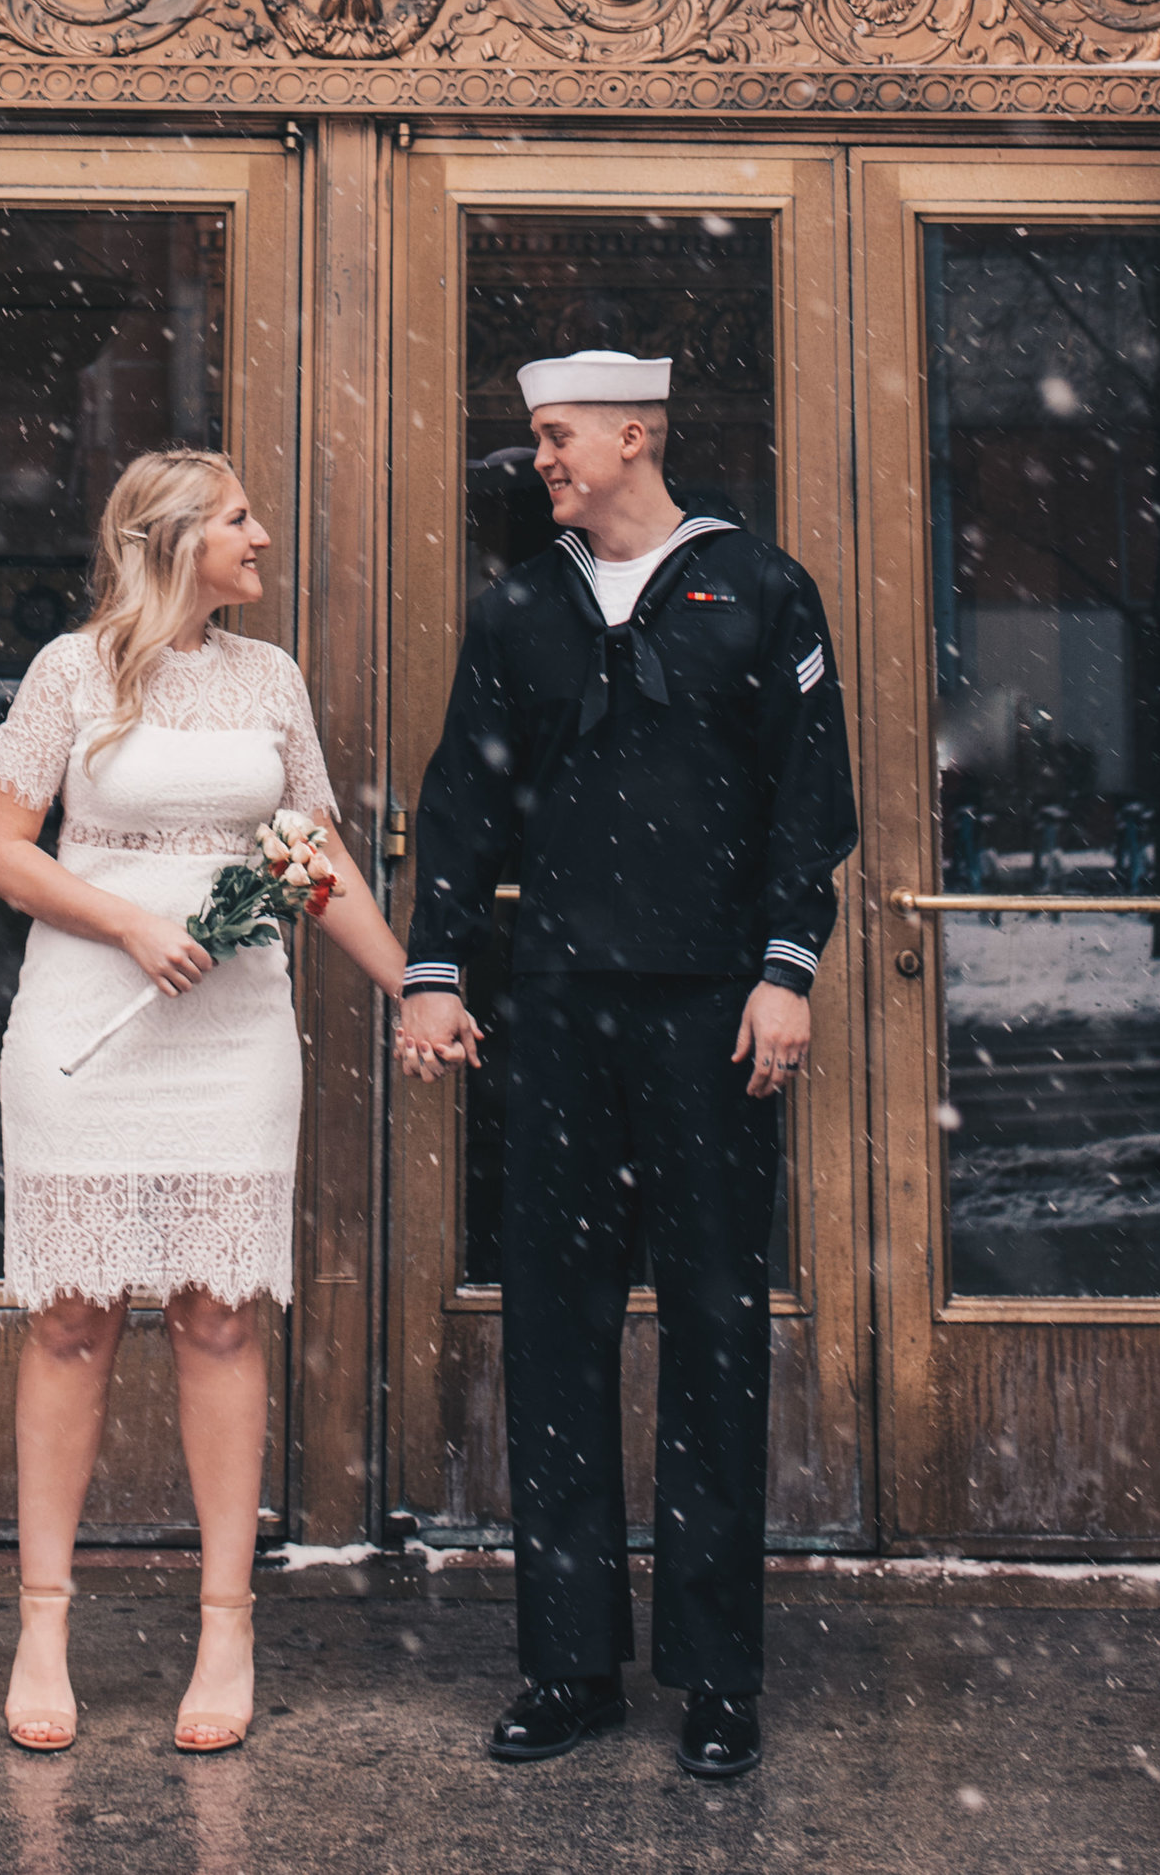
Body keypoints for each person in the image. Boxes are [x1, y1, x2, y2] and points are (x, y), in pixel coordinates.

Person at [394, 350, 857, 1781]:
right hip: (563, 1011)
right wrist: (433, 964)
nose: (538, 457)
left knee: (715, 1334)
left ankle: (717, 1677)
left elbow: (812, 793)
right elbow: (463, 796)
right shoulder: (520, 604)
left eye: (557, 434)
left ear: (636, 433)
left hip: (717, 1014)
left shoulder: (762, 587)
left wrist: (790, 965)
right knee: (556, 1331)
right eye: (534, 435)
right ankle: (571, 1661)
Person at [0, 446, 410, 1756]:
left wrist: (410, 986)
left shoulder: (270, 679)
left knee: (219, 1314)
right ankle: (42, 1621)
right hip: (85, 1025)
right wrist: (121, 919)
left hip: (233, 1030)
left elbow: (313, 852)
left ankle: (227, 1622)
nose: (261, 535)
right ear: (172, 540)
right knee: (70, 1317)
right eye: (237, 518)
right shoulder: (71, 670)